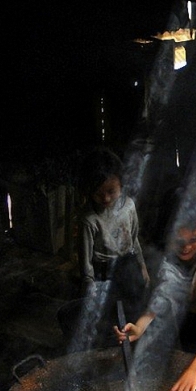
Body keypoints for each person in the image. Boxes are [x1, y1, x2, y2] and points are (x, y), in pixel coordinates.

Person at [114, 207, 196, 391]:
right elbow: (160, 302)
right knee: (182, 360)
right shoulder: (167, 258)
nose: (186, 247)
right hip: (184, 315)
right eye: (179, 241)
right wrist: (140, 326)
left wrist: (195, 370)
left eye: (194, 239)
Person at [58, 146, 150, 350]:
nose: (106, 199)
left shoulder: (128, 207)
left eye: (111, 191)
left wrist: (142, 267)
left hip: (128, 266)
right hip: (103, 272)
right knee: (108, 323)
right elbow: (86, 261)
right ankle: (110, 360)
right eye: (99, 194)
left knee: (134, 314)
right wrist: (89, 287)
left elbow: (134, 241)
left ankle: (136, 353)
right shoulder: (88, 219)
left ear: (121, 183)